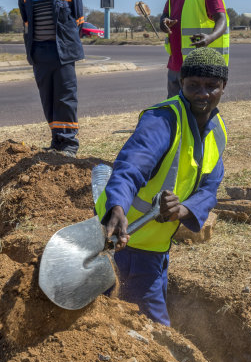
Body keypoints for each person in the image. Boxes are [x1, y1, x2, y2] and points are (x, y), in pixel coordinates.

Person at [94, 48, 228, 325]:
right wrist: (117, 206)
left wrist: (181, 211)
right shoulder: (162, 121)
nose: (202, 94)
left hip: (156, 247)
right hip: (127, 243)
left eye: (211, 86)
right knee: (154, 332)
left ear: (223, 87)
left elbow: (209, 187)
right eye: (193, 85)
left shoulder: (217, 130)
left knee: (123, 325)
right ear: (180, 84)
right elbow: (131, 167)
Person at [18, 0, 85, 157]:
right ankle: (57, 141)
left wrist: (65, 40)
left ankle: (69, 143)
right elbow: (26, 19)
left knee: (65, 98)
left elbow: (78, 20)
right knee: (48, 99)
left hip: (63, 51)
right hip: (39, 52)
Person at [160, 0, 230, 98]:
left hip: (199, 66)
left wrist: (210, 37)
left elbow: (221, 19)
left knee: (199, 110)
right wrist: (163, 21)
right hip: (175, 65)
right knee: (175, 109)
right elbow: (165, 13)